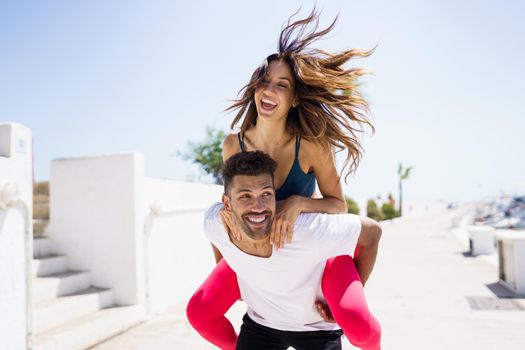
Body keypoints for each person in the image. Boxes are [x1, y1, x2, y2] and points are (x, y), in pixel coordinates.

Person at [186, 9, 381, 350]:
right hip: (259, 252)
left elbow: (338, 205)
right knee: (200, 312)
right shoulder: (235, 143)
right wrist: (243, 271)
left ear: (293, 100)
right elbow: (229, 211)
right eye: (264, 81)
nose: (269, 90)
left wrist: (297, 204)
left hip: (310, 249)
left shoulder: (313, 145)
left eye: (281, 84)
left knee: (359, 325)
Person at [190, 151, 381, 350]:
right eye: (245, 196)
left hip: (316, 328)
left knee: (361, 330)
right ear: (227, 203)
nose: (258, 206)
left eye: (266, 194)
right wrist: (238, 268)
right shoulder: (217, 221)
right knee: (198, 312)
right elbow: (214, 234)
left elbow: (372, 232)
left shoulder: (307, 231)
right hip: (261, 325)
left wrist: (349, 292)